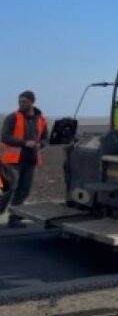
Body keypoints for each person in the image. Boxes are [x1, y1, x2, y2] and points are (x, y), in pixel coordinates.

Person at [0, 91, 48, 228]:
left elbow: (45, 138)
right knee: (8, 190)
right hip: (11, 162)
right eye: (20, 102)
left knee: (23, 191)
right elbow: (4, 137)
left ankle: (14, 218)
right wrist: (24, 143)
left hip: (30, 161)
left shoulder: (41, 120)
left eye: (24, 102)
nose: (21, 104)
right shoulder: (12, 117)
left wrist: (41, 144)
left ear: (32, 102)